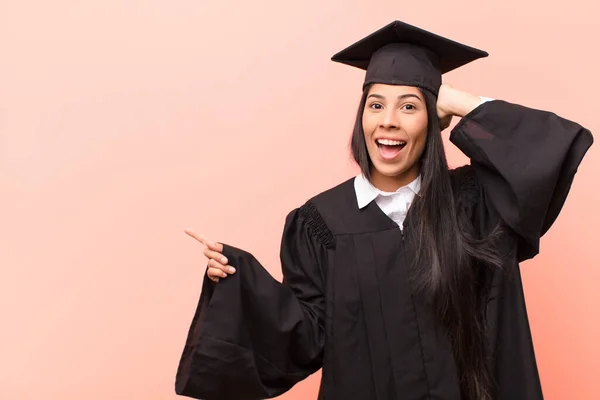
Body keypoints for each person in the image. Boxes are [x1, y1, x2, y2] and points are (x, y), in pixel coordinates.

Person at [174, 21, 593, 400]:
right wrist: (238, 279)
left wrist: (453, 98)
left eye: (409, 107)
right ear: (362, 118)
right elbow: (306, 335)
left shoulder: (476, 201)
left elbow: (551, 148)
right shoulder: (319, 223)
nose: (389, 121)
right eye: (376, 105)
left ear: (433, 120)